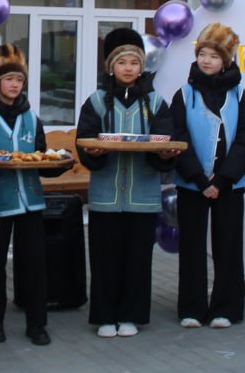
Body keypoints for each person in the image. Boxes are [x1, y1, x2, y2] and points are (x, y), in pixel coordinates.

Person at [75, 28, 177, 338]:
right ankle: (105, 316)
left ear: (141, 67)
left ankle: (132, 315)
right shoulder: (96, 102)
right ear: (111, 67)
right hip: (105, 194)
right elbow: (85, 140)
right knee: (105, 258)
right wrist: (92, 153)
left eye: (134, 63)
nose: (128, 68)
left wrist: (164, 154)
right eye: (122, 63)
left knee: (137, 259)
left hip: (142, 195)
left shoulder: (156, 103)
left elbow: (166, 141)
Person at [168, 22, 245, 330]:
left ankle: (226, 308)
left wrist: (222, 180)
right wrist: (198, 178)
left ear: (226, 60)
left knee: (228, 246)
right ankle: (191, 308)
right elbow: (178, 137)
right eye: (202, 54)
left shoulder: (240, 96)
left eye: (214, 56)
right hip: (192, 185)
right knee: (191, 247)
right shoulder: (184, 95)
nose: (206, 61)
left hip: (228, 186)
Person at [0, 44, 62, 347]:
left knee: (35, 264)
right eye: (9, 79)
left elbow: (40, 157)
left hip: (31, 201)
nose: (14, 85)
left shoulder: (31, 116)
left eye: (19, 79)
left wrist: (55, 165)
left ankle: (37, 323)